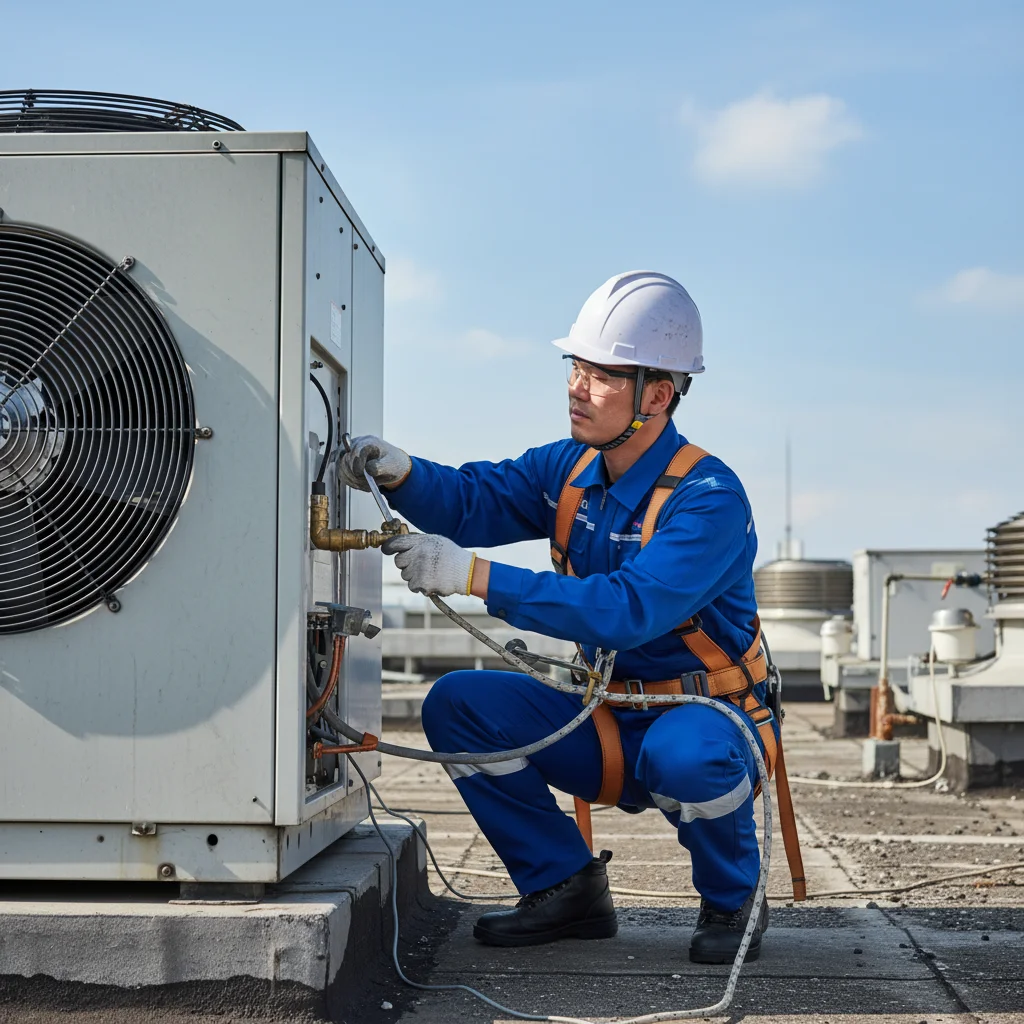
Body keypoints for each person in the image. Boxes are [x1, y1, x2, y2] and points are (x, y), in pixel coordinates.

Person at [339, 270, 779, 963]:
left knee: (685, 756)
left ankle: (733, 900)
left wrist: (473, 575)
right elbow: (471, 498)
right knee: (460, 706)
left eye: (602, 375)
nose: (577, 386)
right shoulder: (570, 468)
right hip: (604, 719)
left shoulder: (709, 498)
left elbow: (628, 609)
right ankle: (565, 887)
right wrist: (402, 474)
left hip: (706, 723)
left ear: (658, 394)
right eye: (576, 367)